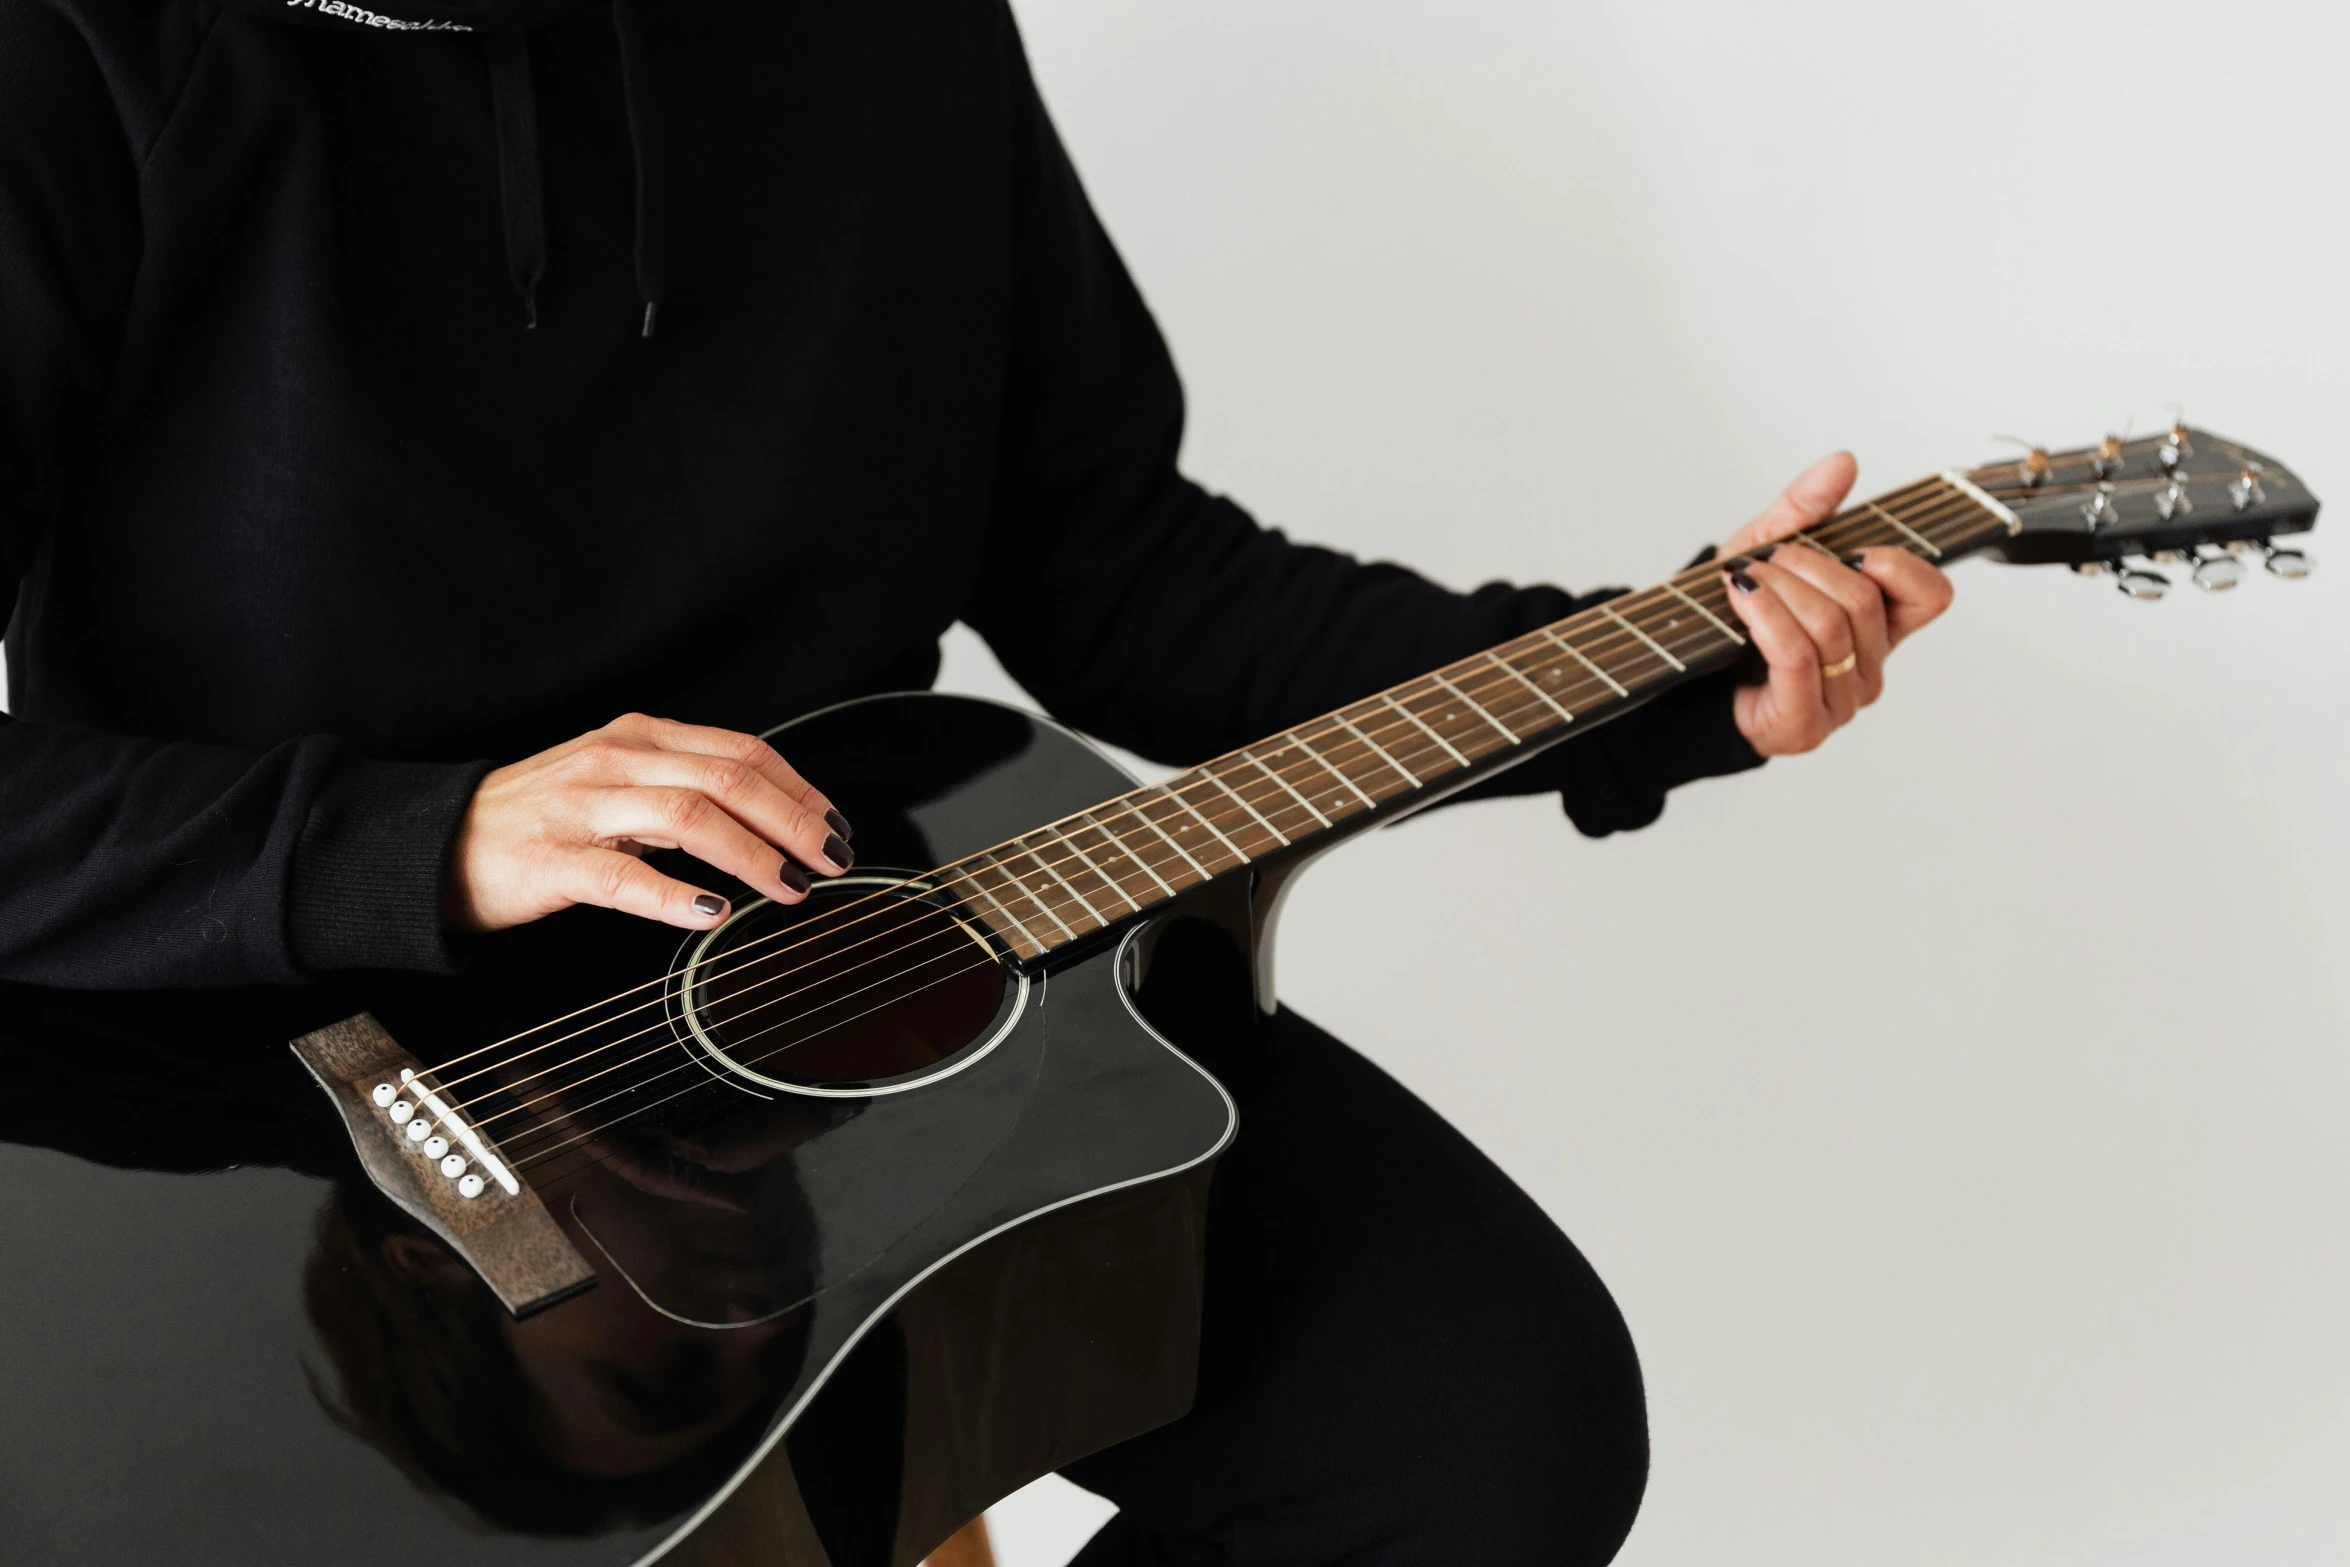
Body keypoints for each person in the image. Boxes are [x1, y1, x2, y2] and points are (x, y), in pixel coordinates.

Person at [0, 0, 1951, 1560]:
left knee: (1476, 1430)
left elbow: (1123, 582)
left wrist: (1670, 672)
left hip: (868, 990)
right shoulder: (68, 57)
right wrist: (420, 837)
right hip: (294, 1077)